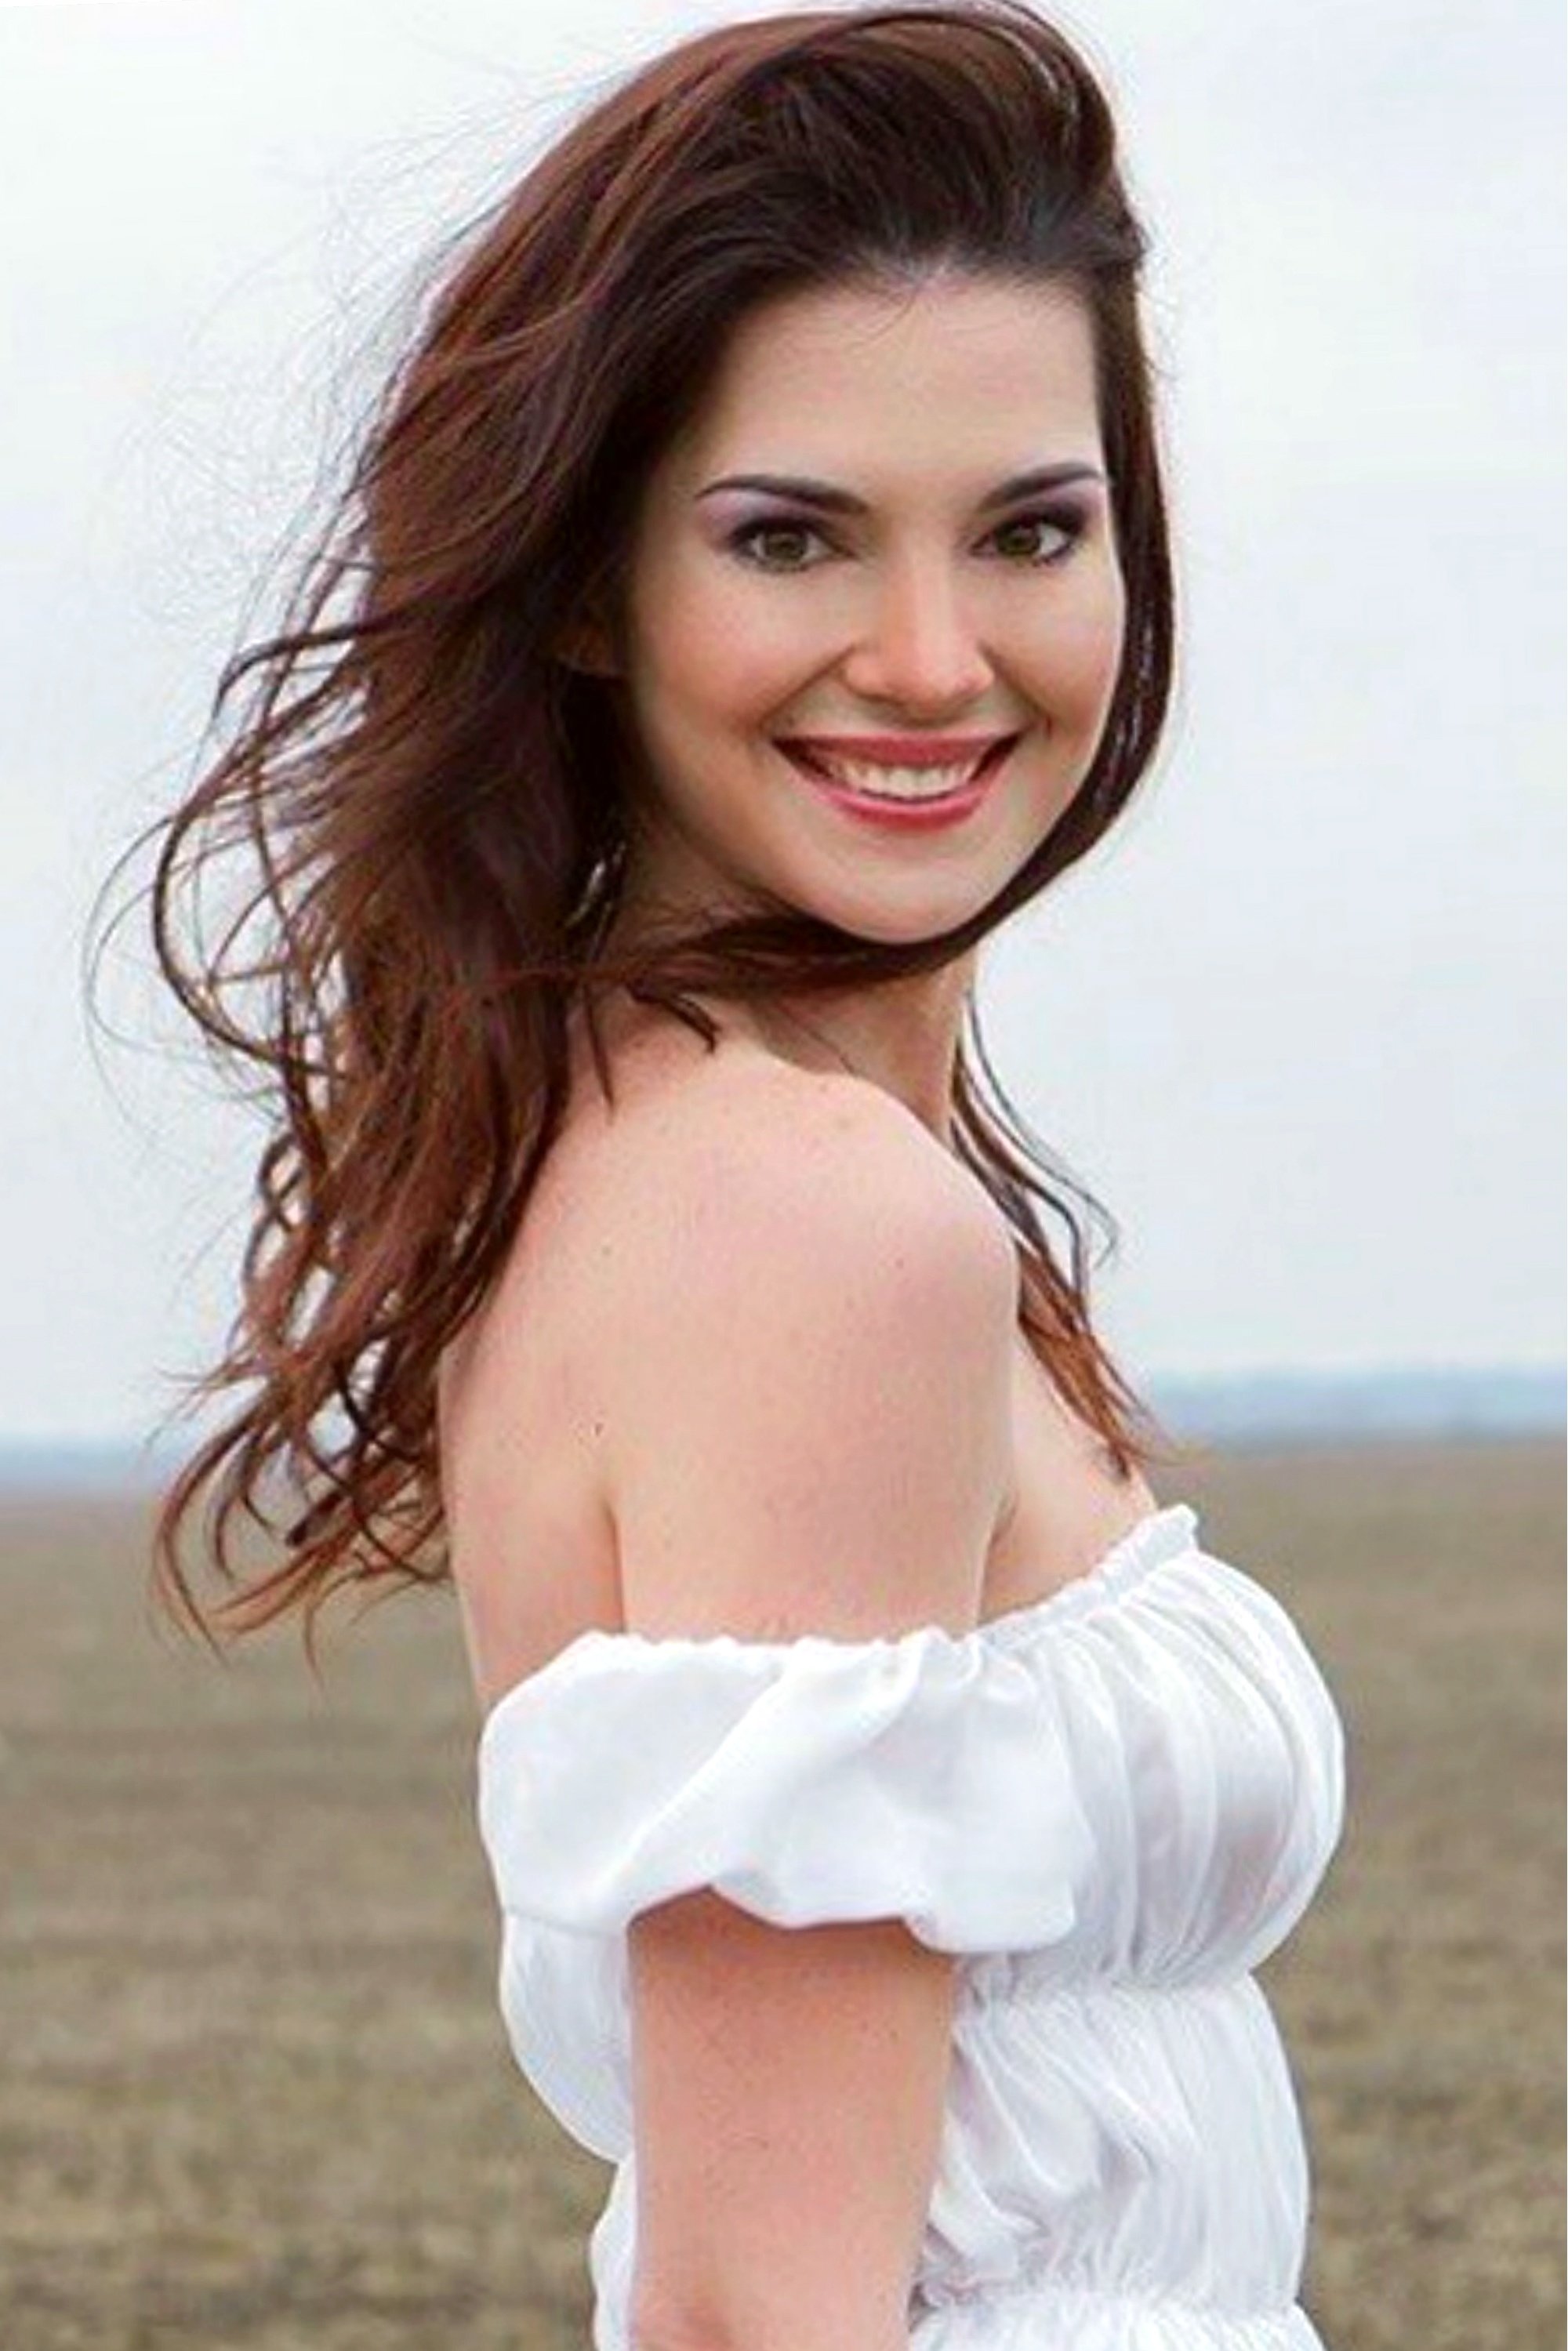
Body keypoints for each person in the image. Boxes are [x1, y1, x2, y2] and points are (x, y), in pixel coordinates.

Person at [109, 3, 1348, 2344]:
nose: (934, 659)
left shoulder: (681, 1148)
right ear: (592, 588)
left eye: (1031, 531)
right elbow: (758, 2312)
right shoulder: (805, 1223)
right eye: (790, 539)